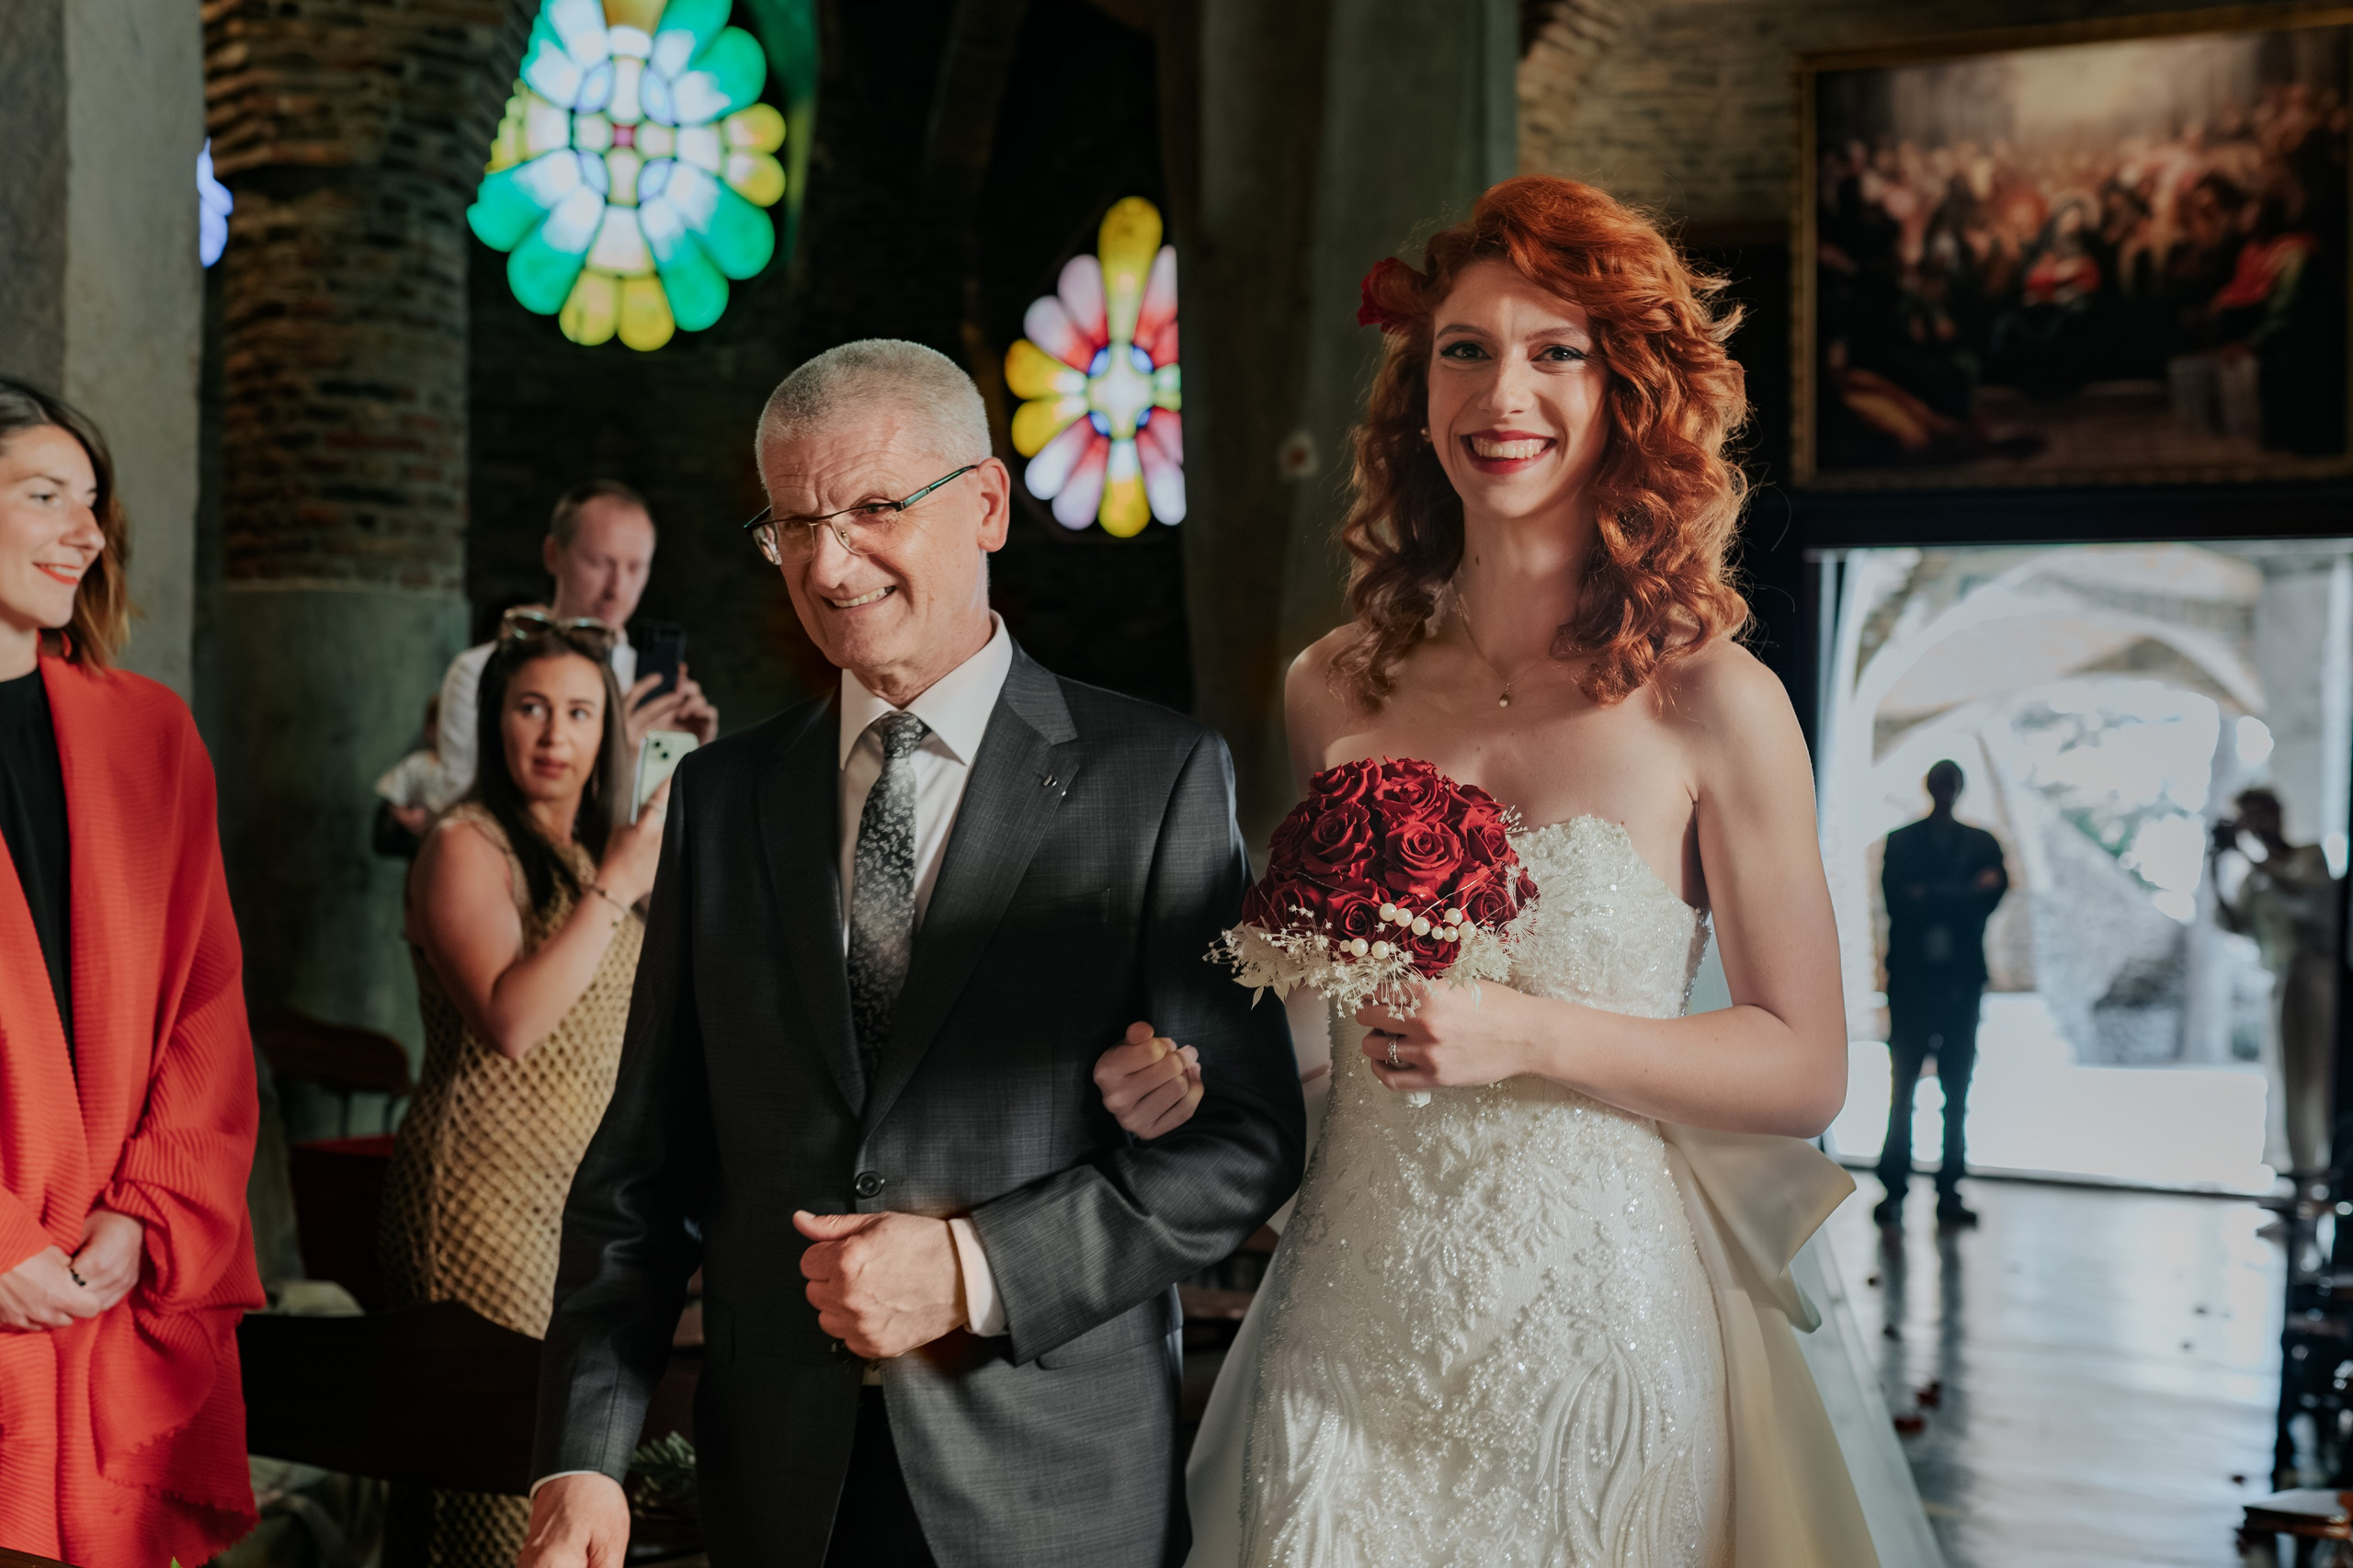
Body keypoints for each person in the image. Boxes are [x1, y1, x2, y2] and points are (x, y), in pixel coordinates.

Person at [1103, 178, 1934, 1566]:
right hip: (1353, 1316)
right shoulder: (1336, 685)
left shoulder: (1712, 701)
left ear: (1627, 392)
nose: (1506, 392)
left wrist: (1527, 1031)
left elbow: (1805, 1065)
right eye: (1466, 349)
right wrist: (1202, 1067)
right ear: (1420, 389)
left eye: (1558, 352)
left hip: (1596, 1325)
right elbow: (1332, 1013)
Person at [518, 340, 1305, 1568]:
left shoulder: (1151, 777)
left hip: (1052, 1481)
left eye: (876, 507)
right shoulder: (723, 800)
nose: (828, 564)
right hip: (783, 1488)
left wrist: (976, 1266)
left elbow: (1246, 1138)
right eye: (792, 523)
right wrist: (582, 1453)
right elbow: (641, 1170)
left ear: (985, 501)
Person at [0, 378, 266, 1564]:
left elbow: (209, 1002)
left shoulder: (149, 733)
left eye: (93, 501)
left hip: (110, 1282)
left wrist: (146, 1211)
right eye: (44, 495)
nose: (87, 532)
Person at [379, 609, 672, 1566]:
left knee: (568, 1488)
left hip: (578, 1201)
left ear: (609, 731)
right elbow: (510, 1023)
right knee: (492, 1498)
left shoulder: (601, 854)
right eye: (531, 707)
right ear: (494, 720)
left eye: (580, 713)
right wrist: (616, 889)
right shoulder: (467, 843)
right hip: (480, 1200)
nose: (554, 735)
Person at [395, 480, 719, 818]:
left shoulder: (653, 688)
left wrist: (700, 763)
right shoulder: (477, 672)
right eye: (599, 563)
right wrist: (615, 755)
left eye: (636, 567)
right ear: (553, 554)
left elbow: (675, 828)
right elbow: (465, 815)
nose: (617, 589)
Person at [1876, 759, 2007, 1230]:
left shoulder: (1976, 843)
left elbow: (1988, 897)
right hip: (1915, 981)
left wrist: (1928, 894)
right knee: (1904, 1086)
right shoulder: (1908, 842)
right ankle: (1896, 1188)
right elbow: (1900, 902)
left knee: (1956, 1087)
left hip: (1959, 982)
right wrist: (1964, 894)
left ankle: (1946, 1190)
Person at [2212, 787, 2340, 1185]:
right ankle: (2304, 1177)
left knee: (2324, 1076)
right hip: (2286, 979)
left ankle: (2331, 1170)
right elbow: (2238, 925)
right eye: (2250, 816)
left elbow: (2312, 902)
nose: (2258, 824)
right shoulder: (2255, 876)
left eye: (2262, 814)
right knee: (2293, 1079)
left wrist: (2251, 854)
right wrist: (2214, 867)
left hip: (2321, 974)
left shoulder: (2308, 857)